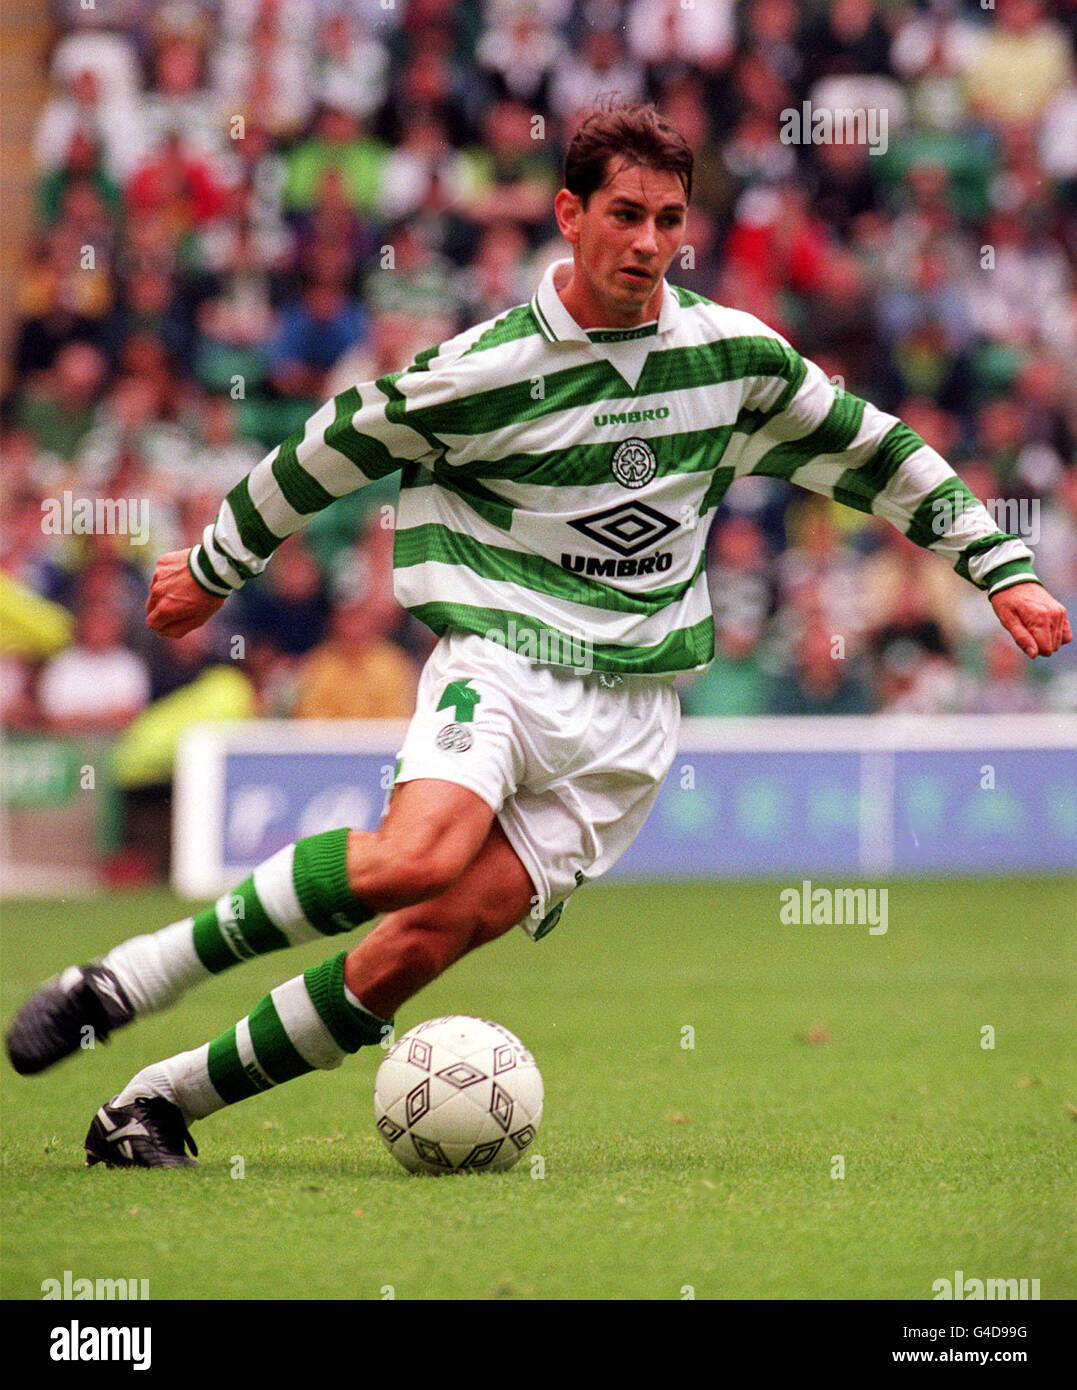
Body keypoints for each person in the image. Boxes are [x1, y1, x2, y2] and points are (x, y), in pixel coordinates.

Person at [7, 101, 1070, 1168]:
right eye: (624, 215)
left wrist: (1001, 568)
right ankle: (123, 981)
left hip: (633, 725)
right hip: (508, 663)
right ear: (569, 212)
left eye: (667, 219)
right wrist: (210, 570)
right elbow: (333, 442)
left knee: (418, 946)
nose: (648, 243)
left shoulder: (732, 357)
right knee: (410, 860)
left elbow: (878, 448)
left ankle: (160, 1103)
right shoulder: (486, 369)